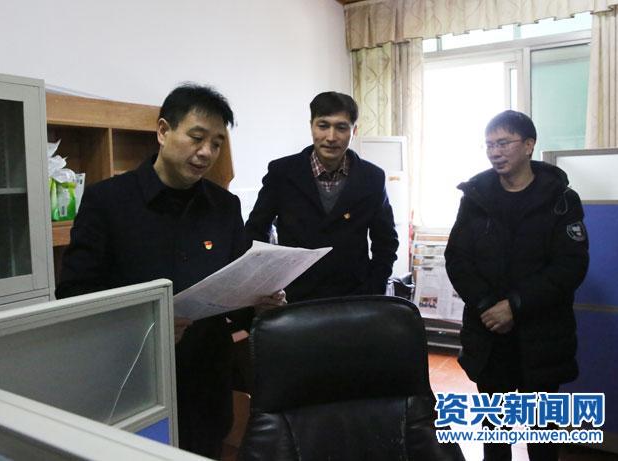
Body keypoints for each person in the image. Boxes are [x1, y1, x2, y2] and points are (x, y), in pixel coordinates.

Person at [56, 83, 284, 458]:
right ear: (163, 131)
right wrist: (147, 321)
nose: (206, 152)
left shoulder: (224, 206)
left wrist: (261, 302)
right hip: (132, 382)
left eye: (217, 143)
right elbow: (74, 296)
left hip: (205, 385)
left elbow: (238, 292)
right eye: (197, 137)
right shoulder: (108, 201)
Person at [445, 110, 589, 461]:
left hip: (541, 334)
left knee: (542, 435)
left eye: (503, 143)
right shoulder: (475, 197)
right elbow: (457, 258)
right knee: (494, 432)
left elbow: (570, 265)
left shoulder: (560, 199)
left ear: (528, 145)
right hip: (488, 334)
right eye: (489, 145)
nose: (495, 152)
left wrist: (515, 306)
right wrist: (486, 305)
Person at [245, 91, 399, 302]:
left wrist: (373, 289)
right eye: (323, 126)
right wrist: (268, 285)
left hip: (354, 298)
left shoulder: (372, 177)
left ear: (354, 130)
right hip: (294, 298)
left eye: (341, 127)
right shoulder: (282, 173)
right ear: (311, 126)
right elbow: (255, 231)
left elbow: (386, 242)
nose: (331, 137)